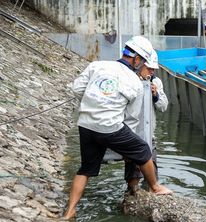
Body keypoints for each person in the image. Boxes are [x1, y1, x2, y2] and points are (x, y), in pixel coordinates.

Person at [63, 36, 172, 220]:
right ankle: (155, 187)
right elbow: (130, 119)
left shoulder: (97, 65)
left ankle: (69, 212)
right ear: (137, 59)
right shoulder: (134, 81)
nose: (147, 67)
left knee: (86, 169)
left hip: (85, 124)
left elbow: (76, 88)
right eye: (145, 62)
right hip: (110, 127)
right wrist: (122, 144)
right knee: (143, 149)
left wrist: (95, 102)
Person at [125, 49, 168, 191]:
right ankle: (132, 194)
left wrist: (155, 95)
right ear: (140, 65)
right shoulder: (129, 79)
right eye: (149, 68)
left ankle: (151, 193)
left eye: (153, 69)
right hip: (132, 134)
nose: (151, 72)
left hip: (149, 135)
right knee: (133, 173)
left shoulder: (156, 82)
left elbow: (163, 106)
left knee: (152, 173)